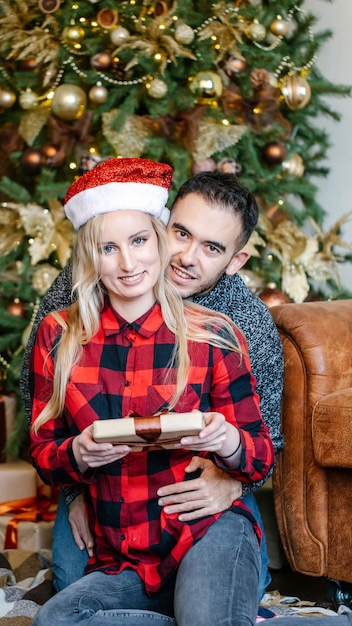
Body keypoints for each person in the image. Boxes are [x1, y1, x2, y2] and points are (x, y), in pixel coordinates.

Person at [28, 157, 275, 625]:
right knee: (59, 609)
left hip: (204, 519)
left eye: (139, 242)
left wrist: (230, 458)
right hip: (121, 540)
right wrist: (75, 468)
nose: (128, 262)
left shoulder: (227, 329)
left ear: (235, 259)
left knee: (213, 600)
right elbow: (44, 439)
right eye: (182, 234)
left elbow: (263, 448)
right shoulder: (60, 329)